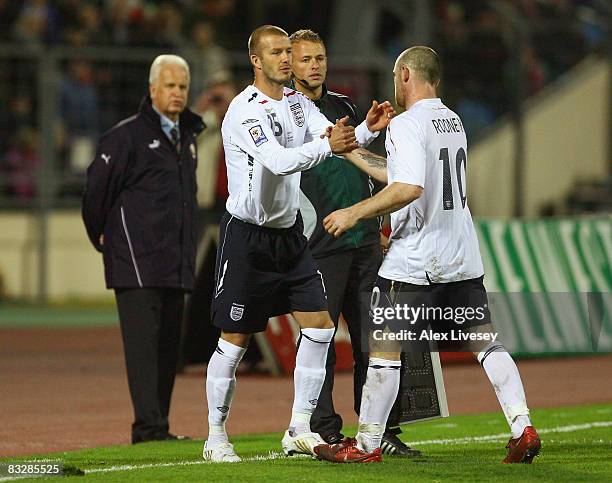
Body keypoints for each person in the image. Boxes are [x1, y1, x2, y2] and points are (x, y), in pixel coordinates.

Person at [322, 46, 541, 464]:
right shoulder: (452, 119)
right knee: (487, 344)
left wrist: (354, 212)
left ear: (405, 74)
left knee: (384, 348)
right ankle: (523, 426)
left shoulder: (406, 124)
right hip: (461, 254)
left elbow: (409, 188)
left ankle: (367, 445)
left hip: (416, 258)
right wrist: (350, 151)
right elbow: (402, 173)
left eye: (393, 75)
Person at [202, 25, 394, 463]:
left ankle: (299, 428)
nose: (286, 59)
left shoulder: (295, 103)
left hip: (289, 237)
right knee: (234, 341)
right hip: (247, 238)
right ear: (256, 60)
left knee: (321, 327)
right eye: (276, 53)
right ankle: (216, 436)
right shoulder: (244, 109)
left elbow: (334, 138)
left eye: (288, 51)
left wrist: (365, 129)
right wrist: (329, 145)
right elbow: (279, 159)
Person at [288, 28, 419, 457]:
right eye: (306, 59)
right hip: (318, 240)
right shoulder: (283, 115)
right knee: (321, 342)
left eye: (320, 57)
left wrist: (381, 217)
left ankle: (380, 431)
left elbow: (364, 165)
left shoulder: (344, 105)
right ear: (289, 64)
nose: (315, 65)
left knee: (374, 341)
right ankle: (324, 431)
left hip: (363, 241)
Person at [82, 54, 205, 444]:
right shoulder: (124, 137)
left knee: (169, 351)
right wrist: (101, 236)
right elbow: (95, 195)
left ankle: (158, 426)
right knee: (143, 352)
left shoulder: (187, 137)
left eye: (182, 87)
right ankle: (147, 428)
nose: (177, 93)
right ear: (152, 89)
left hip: (175, 261)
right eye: (169, 86)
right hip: (136, 263)